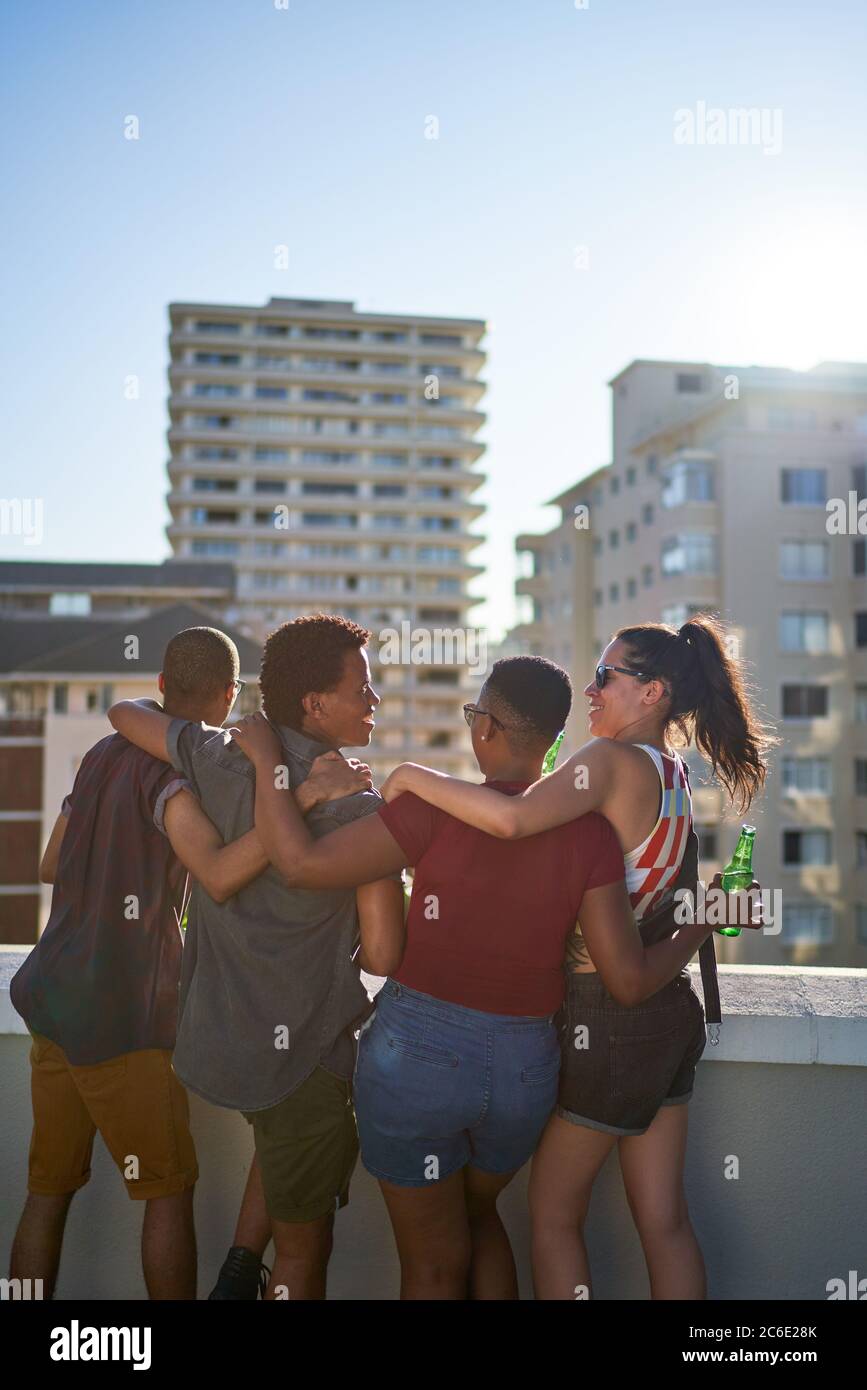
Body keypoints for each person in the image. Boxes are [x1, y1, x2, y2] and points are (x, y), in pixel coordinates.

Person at [230, 653, 731, 1301]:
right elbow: (624, 971)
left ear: (487, 728)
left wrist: (269, 760)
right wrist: (702, 922)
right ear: (553, 738)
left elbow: (297, 864)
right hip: (524, 1067)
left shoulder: (432, 812)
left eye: (474, 715)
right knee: (475, 1215)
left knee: (432, 1266)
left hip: (416, 1061)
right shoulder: (588, 835)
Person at [377, 615, 772, 1298]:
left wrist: (409, 777)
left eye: (604, 678)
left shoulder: (609, 763)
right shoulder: (669, 770)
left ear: (651, 693)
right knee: (665, 1221)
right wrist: (705, 923)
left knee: (553, 1217)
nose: (589, 692)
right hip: (668, 1018)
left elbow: (509, 820)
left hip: (608, 1025)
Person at [7, 625, 353, 1300]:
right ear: (227, 697)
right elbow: (220, 875)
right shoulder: (174, 775)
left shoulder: (100, 757)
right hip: (123, 1021)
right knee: (165, 1195)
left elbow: (52, 864)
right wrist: (305, 800)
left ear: (162, 684)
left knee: (46, 1193)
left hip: (51, 1002)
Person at [107, 614, 403, 1301]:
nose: (374, 700)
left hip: (217, 1038)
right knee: (302, 1255)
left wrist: (259, 748)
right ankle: (252, 1269)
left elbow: (125, 715)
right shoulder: (361, 814)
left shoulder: (217, 754)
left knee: (278, 1145)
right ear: (314, 704)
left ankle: (241, 1264)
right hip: (303, 1053)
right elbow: (385, 953)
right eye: (362, 686)